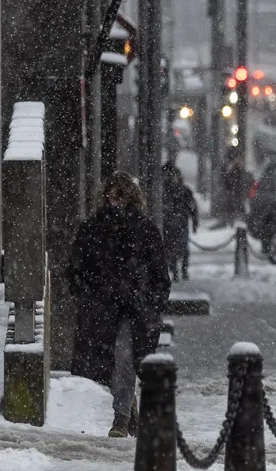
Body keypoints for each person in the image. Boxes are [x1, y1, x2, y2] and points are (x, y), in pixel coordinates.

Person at [69, 173, 171, 438]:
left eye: (120, 195)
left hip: (134, 309)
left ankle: (121, 418)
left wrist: (152, 303)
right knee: (110, 363)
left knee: (124, 358)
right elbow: (77, 268)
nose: (115, 200)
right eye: (111, 195)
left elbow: (159, 273)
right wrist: (85, 294)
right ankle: (128, 407)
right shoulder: (93, 228)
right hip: (102, 309)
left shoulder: (144, 230)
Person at [162, 161, 199, 281]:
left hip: (180, 222)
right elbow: (192, 207)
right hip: (171, 223)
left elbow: (192, 207)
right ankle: (176, 270)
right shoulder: (167, 190)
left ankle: (182, 269)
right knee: (173, 248)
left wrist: (194, 221)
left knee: (181, 247)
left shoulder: (183, 191)